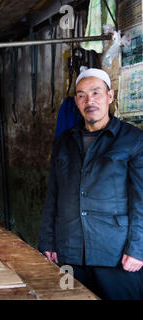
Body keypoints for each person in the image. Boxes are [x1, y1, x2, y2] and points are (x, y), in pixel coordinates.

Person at [38, 68, 143, 300]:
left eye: (96, 92)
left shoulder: (133, 140)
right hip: (69, 250)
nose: (90, 100)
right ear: (76, 101)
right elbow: (53, 195)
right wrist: (47, 240)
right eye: (82, 95)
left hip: (116, 254)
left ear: (110, 96)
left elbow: (141, 201)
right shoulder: (64, 142)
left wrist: (138, 249)